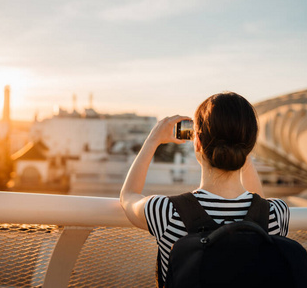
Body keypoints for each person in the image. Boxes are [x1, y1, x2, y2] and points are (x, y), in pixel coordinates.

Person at [119, 92, 290, 286]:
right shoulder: (277, 213)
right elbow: (259, 203)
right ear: (249, 146)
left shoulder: (167, 212)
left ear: (197, 142)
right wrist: (242, 150)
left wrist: (153, 140)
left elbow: (127, 196)